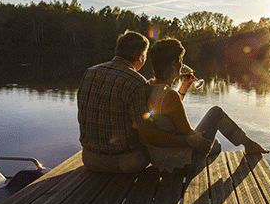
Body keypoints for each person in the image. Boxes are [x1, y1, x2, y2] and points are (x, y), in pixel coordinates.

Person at [77, 30, 211, 173]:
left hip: (89, 159)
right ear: (141, 57)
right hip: (124, 162)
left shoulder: (89, 72)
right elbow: (149, 135)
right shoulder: (136, 82)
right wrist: (188, 140)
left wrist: (180, 90)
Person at [145, 37, 268, 173]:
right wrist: (202, 139)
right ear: (174, 64)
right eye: (180, 61)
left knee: (216, 145)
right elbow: (189, 135)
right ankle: (249, 145)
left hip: (159, 159)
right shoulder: (169, 95)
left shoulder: (149, 86)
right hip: (182, 164)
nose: (181, 65)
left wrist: (183, 88)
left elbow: (169, 112)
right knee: (216, 113)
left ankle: (244, 144)